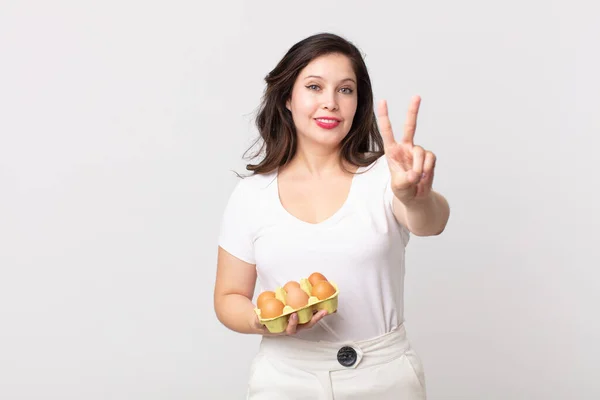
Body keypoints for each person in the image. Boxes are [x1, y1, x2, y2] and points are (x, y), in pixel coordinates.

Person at [214, 32, 450, 399]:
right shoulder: (251, 195)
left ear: (358, 102)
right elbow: (228, 296)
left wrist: (415, 196)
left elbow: (431, 222)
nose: (331, 103)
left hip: (384, 377)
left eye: (345, 90)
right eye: (314, 87)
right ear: (288, 98)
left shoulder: (385, 177)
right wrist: (261, 321)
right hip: (285, 378)